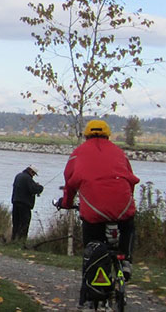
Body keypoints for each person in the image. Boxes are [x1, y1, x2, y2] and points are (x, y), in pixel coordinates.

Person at [56, 119, 140, 281]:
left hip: (94, 211)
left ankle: (91, 281)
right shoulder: (119, 153)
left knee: (92, 244)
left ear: (86, 135)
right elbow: (130, 180)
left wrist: (66, 203)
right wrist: (129, 201)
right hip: (122, 207)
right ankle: (126, 260)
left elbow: (70, 183)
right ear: (108, 136)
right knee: (128, 226)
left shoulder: (78, 153)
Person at [10, 165, 43, 241]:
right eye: (34, 174)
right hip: (24, 204)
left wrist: (34, 185)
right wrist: (40, 187)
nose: (33, 176)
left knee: (16, 223)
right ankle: (22, 241)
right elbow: (33, 190)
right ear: (31, 171)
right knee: (24, 223)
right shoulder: (28, 178)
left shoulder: (18, 176)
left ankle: (13, 239)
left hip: (15, 202)